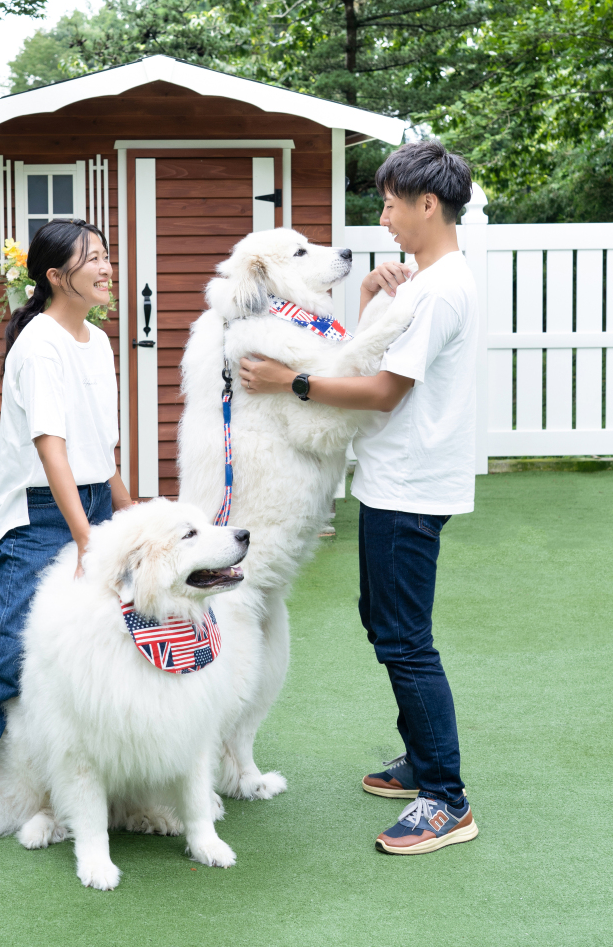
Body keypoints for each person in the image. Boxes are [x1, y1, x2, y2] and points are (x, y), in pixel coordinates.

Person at [239, 139, 479, 855]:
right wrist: (375, 298)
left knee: (405, 639)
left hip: (408, 484)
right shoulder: (431, 282)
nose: (385, 218)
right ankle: (423, 760)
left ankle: (446, 796)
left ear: (427, 204)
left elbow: (381, 387)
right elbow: (371, 350)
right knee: (386, 621)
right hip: (397, 478)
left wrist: (291, 383)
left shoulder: (439, 291)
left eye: (391, 203)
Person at [0, 219, 132, 853]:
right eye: (91, 260)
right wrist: (85, 539)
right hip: (43, 516)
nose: (105, 268)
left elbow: (102, 448)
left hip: (93, 502)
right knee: (7, 655)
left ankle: (110, 783)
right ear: (55, 277)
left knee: (112, 644)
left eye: (106, 256)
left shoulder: (97, 342)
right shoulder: (39, 346)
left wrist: (127, 518)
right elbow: (53, 448)